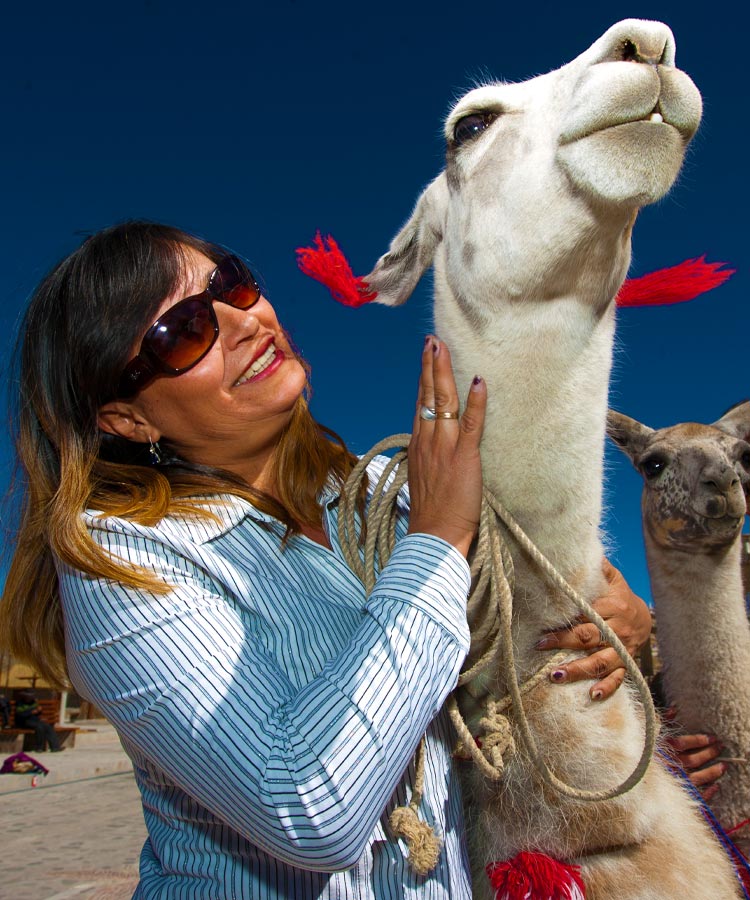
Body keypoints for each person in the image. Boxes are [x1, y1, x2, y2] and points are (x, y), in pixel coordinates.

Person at [0, 221, 658, 898]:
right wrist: (436, 542)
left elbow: (524, 617)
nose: (244, 321)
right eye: (184, 333)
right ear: (127, 419)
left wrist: (624, 624)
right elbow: (309, 808)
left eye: (232, 285)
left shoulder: (385, 498)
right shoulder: (118, 555)